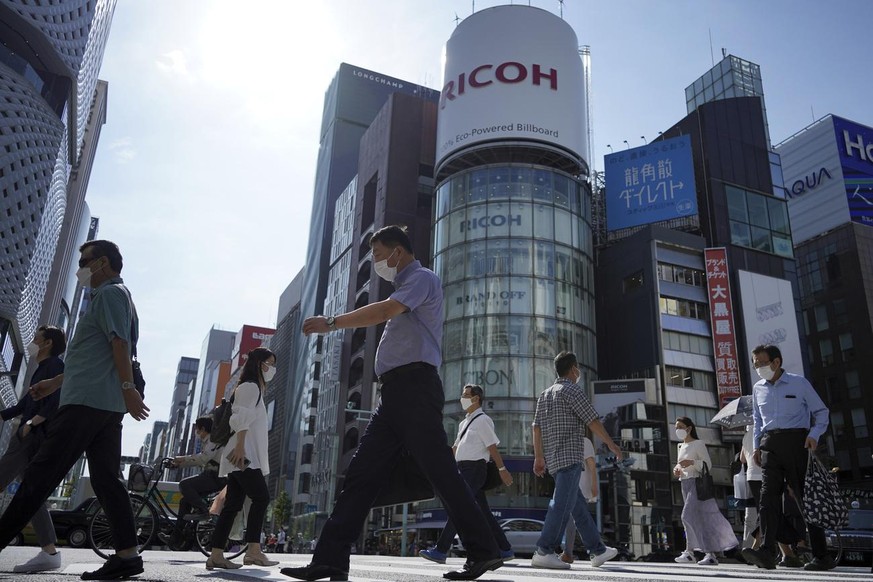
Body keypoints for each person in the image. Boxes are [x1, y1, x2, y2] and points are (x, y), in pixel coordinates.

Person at [284, 225, 502, 581]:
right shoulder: (405, 289)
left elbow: (385, 311)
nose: (377, 263)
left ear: (398, 252)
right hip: (396, 395)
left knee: (443, 473)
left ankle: (484, 550)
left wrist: (332, 322)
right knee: (360, 475)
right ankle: (330, 560)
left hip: (415, 389)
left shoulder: (421, 280)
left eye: (379, 254)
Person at [0, 240, 150, 580]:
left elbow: (120, 344)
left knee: (39, 476)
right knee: (106, 481)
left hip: (87, 404)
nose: (81, 268)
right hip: (103, 405)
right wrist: (56, 383)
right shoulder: (111, 297)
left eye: (86, 261)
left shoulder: (112, 294)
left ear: (105, 264)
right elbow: (94, 356)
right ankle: (127, 555)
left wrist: (129, 389)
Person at [742, 344, 833, 572]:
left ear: (776, 362)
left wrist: (814, 435)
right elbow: (758, 421)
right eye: (755, 364)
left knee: (805, 499)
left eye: (761, 363)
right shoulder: (758, 388)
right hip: (769, 446)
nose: (758, 368)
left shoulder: (799, 383)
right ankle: (767, 552)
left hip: (797, 444)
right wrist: (756, 448)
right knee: (767, 499)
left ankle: (821, 556)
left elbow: (821, 412)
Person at [531, 351, 622, 570]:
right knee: (561, 505)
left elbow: (536, 427)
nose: (578, 372)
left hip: (553, 460)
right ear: (573, 369)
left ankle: (597, 550)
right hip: (570, 457)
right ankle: (544, 550)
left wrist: (538, 457)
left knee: (577, 506)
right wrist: (611, 444)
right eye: (577, 369)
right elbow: (592, 421)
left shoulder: (545, 394)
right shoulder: (572, 390)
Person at [419, 383, 514, 564]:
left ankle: (441, 550)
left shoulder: (483, 420)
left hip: (476, 469)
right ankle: (505, 548)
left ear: (476, 398)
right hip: (463, 470)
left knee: (459, 507)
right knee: (484, 512)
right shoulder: (464, 422)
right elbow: (456, 448)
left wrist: (502, 470)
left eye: (465, 395)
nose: (462, 398)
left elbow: (492, 447)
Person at [0, 325, 66, 573]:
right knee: (31, 494)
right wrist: (4, 415)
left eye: (37, 338)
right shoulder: (42, 368)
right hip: (28, 434)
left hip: (31, 436)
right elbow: (25, 403)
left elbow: (56, 400)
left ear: (47, 343)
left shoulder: (55, 368)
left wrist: (32, 423)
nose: (32, 342)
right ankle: (50, 552)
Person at [206, 347, 279, 570]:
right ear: (259, 363)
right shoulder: (250, 387)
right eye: (270, 363)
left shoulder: (252, 388)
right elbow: (239, 418)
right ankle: (254, 551)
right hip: (243, 454)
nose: (272, 368)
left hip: (241, 454)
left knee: (233, 505)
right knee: (261, 498)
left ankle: (216, 554)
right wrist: (240, 448)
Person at [672, 417, 738, 565]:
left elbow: (707, 464)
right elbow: (680, 466)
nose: (678, 430)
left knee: (686, 516)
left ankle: (689, 552)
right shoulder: (680, 446)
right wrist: (677, 470)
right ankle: (710, 555)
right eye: (676, 427)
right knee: (700, 520)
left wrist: (691, 462)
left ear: (689, 429)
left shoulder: (698, 444)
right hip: (685, 484)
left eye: (681, 427)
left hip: (697, 483)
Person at [163, 416, 226, 548]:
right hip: (210, 475)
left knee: (184, 484)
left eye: (197, 429)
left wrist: (181, 459)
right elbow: (199, 460)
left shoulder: (213, 440)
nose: (196, 432)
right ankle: (176, 538)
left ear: (203, 428)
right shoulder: (208, 441)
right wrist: (178, 464)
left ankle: (203, 510)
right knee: (184, 501)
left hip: (217, 477)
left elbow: (202, 459)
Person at [560, 431, 597, 564]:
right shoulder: (568, 443)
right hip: (572, 487)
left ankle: (570, 553)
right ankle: (594, 550)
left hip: (581, 488)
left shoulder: (584, 441)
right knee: (575, 522)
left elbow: (592, 465)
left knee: (574, 521)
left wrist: (594, 485)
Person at [739, 424, 763, 552]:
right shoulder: (763, 430)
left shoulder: (746, 435)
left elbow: (742, 459)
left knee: (755, 512)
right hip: (764, 474)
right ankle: (757, 544)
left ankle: (749, 546)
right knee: (767, 509)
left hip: (751, 476)